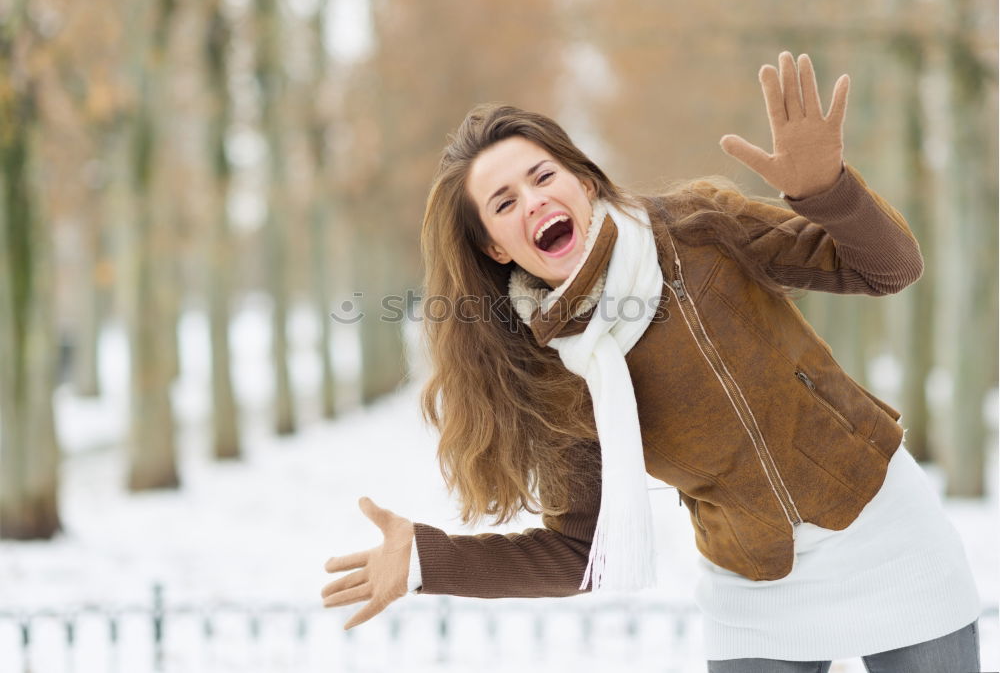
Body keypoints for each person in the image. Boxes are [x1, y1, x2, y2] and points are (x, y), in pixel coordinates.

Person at [320, 51, 982, 672]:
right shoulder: (552, 370)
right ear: (494, 248)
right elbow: (581, 552)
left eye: (542, 176)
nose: (534, 201)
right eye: (504, 203)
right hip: (755, 584)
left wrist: (828, 193)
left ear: (581, 179)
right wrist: (429, 563)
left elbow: (888, 268)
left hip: (889, 534)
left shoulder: (699, 229)